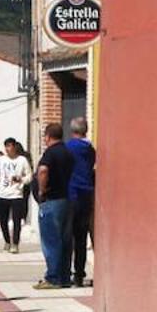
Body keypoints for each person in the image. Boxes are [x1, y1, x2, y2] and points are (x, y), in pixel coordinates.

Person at [33, 122, 74, 289]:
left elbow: (43, 171)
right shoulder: (68, 153)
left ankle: (53, 277)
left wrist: (42, 190)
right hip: (66, 200)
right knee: (65, 241)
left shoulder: (50, 153)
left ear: (48, 136)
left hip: (51, 201)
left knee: (50, 241)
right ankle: (64, 276)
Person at [65, 117, 96, 287]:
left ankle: (65, 272)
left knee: (67, 237)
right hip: (86, 195)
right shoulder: (90, 149)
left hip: (70, 194)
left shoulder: (68, 148)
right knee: (81, 238)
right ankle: (79, 274)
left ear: (72, 130)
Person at [0, 138, 32, 253]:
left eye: (10, 146)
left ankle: (15, 243)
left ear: (14, 147)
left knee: (16, 220)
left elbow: (29, 176)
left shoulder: (22, 160)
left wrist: (21, 180)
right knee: (3, 220)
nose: (8, 149)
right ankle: (7, 241)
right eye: (6, 146)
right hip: (2, 195)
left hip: (16, 194)